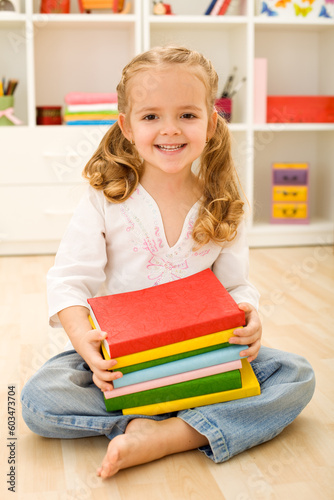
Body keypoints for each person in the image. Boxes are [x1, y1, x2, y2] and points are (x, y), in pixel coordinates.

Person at [21, 46, 315, 479]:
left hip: (202, 357)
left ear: (212, 123)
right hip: (124, 362)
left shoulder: (224, 204)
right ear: (126, 125)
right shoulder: (106, 199)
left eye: (188, 116)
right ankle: (162, 421)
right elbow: (69, 280)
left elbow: (236, 287)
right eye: (151, 116)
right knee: (38, 399)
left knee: (296, 376)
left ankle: (170, 432)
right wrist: (86, 344)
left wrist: (249, 315)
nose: (170, 130)